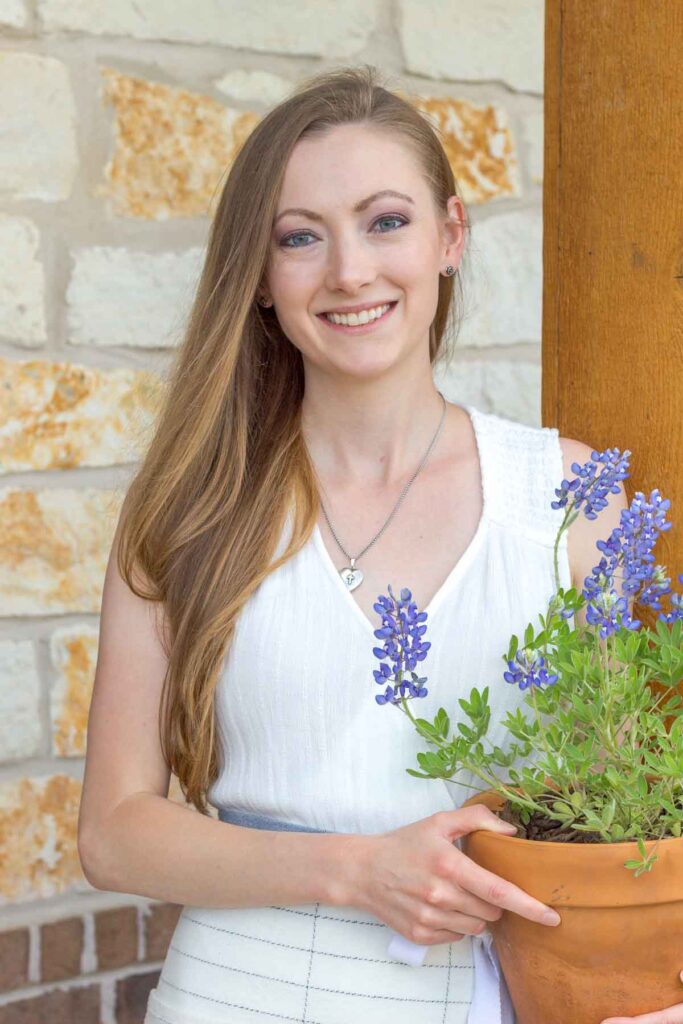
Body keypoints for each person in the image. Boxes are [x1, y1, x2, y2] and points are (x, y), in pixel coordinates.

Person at [77, 64, 683, 1024]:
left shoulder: (569, 495)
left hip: (483, 998)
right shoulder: (190, 506)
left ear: (448, 237)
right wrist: (358, 870)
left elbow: (625, 816)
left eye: (385, 221)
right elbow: (114, 833)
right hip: (237, 996)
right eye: (299, 238)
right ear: (261, 281)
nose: (349, 270)